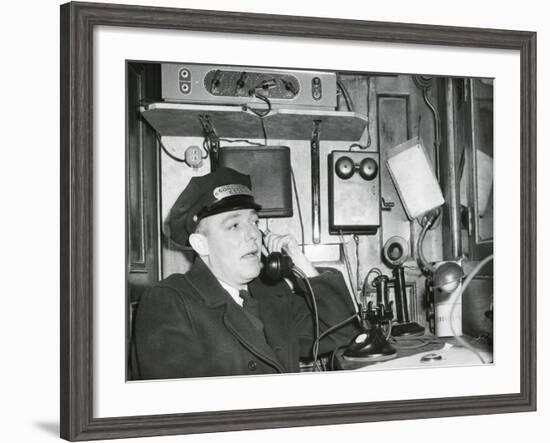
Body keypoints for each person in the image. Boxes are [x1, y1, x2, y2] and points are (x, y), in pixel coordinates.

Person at [133, 167, 359, 380]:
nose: (253, 234)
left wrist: (302, 264)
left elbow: (343, 334)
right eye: (234, 225)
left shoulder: (273, 294)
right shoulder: (169, 302)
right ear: (201, 244)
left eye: (254, 221)